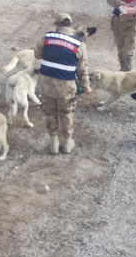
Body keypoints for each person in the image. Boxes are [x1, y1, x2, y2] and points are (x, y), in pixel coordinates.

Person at [34, 13, 92, 154]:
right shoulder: (79, 44)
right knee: (66, 113)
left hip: (46, 84)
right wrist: (86, 86)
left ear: (57, 25)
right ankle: (67, 143)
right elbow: (82, 70)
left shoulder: (47, 38)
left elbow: (37, 55)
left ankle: (54, 143)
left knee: (50, 112)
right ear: (70, 26)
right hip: (66, 86)